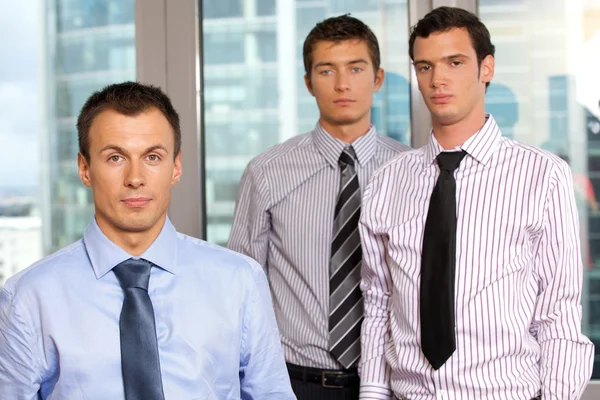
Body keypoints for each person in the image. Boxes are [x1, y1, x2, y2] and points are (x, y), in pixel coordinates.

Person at [0, 82, 295, 400]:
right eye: (115, 158)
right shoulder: (28, 296)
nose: (135, 177)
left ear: (176, 167)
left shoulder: (240, 280)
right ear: (84, 169)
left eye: (153, 156)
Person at [359, 6, 594, 400]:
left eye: (455, 62)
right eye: (425, 66)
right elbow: (379, 305)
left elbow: (558, 314)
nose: (438, 79)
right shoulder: (387, 183)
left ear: (487, 68)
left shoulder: (541, 175)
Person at [228, 14, 409, 400]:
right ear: (309, 83)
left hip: (394, 381)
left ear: (377, 78)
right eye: (327, 70)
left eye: (356, 69)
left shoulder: (412, 171)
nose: (342, 84)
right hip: (294, 384)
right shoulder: (267, 172)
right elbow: (239, 288)